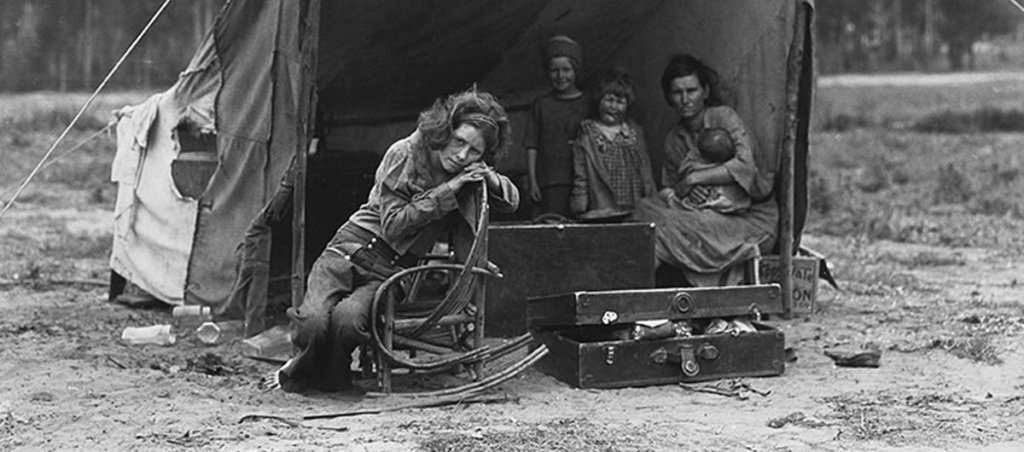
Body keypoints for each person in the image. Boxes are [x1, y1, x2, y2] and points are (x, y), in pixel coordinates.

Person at [271, 88, 520, 393]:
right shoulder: (405, 153)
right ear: (446, 130)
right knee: (312, 323)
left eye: (474, 152)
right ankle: (303, 372)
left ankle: (332, 378)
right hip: (349, 249)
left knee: (348, 321)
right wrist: (448, 190)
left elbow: (510, 201)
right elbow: (393, 226)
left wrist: (491, 177)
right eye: (459, 142)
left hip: (392, 271)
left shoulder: (468, 176)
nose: (462, 155)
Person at [632, 54, 778, 287]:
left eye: (692, 90)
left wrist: (695, 177)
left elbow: (745, 166)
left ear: (706, 92)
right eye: (677, 93)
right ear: (669, 97)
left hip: (748, 220)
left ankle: (636, 292)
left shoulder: (723, 118)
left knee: (658, 230)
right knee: (643, 210)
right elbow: (671, 187)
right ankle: (634, 291)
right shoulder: (674, 139)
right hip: (701, 214)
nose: (685, 99)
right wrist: (683, 193)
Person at [570, 68, 655, 219]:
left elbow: (645, 170)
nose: (614, 107)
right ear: (598, 100)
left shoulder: (634, 132)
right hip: (603, 205)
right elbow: (581, 172)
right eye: (609, 100)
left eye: (620, 102)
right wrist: (580, 204)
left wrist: (651, 199)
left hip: (633, 203)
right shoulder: (588, 133)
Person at [524, 35, 590, 219]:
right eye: (554, 70)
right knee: (551, 225)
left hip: (582, 180)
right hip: (550, 181)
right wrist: (532, 180)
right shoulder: (541, 105)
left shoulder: (588, 103)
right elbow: (532, 145)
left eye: (566, 70)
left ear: (576, 70)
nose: (561, 76)